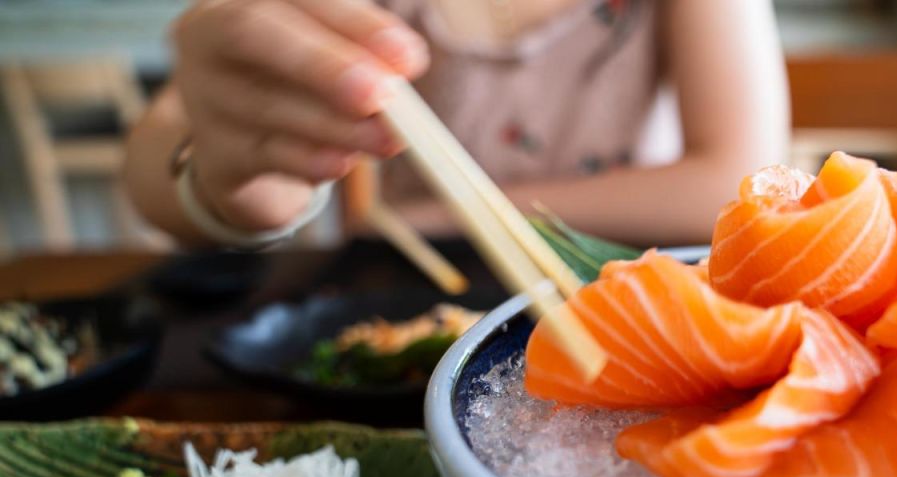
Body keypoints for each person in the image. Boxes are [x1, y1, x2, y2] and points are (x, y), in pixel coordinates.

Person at [124, 0, 789, 248]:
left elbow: (737, 181)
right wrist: (232, 176)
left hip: (632, 291)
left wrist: (447, 214)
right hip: (415, 314)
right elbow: (161, 164)